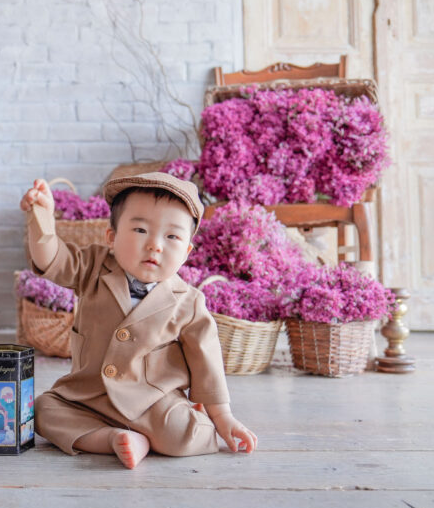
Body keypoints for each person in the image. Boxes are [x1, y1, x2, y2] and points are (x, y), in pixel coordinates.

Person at [20, 172, 257, 469]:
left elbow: (205, 361)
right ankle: (111, 438)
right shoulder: (93, 268)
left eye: (172, 236)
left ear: (186, 252)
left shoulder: (189, 302)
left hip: (151, 403)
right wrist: (41, 217)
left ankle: (155, 431)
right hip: (87, 396)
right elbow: (50, 260)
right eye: (141, 230)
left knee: (184, 437)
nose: (155, 245)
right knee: (42, 410)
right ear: (112, 237)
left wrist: (223, 417)